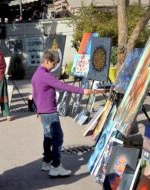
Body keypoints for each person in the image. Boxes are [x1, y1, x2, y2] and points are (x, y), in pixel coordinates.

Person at [31, 49, 97, 177]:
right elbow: (63, 86)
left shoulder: (36, 75)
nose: (54, 67)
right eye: (53, 64)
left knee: (48, 137)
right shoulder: (45, 75)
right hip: (50, 112)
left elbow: (35, 94)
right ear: (47, 61)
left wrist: (38, 109)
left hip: (44, 112)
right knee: (58, 138)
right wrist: (82, 91)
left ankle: (46, 161)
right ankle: (55, 166)